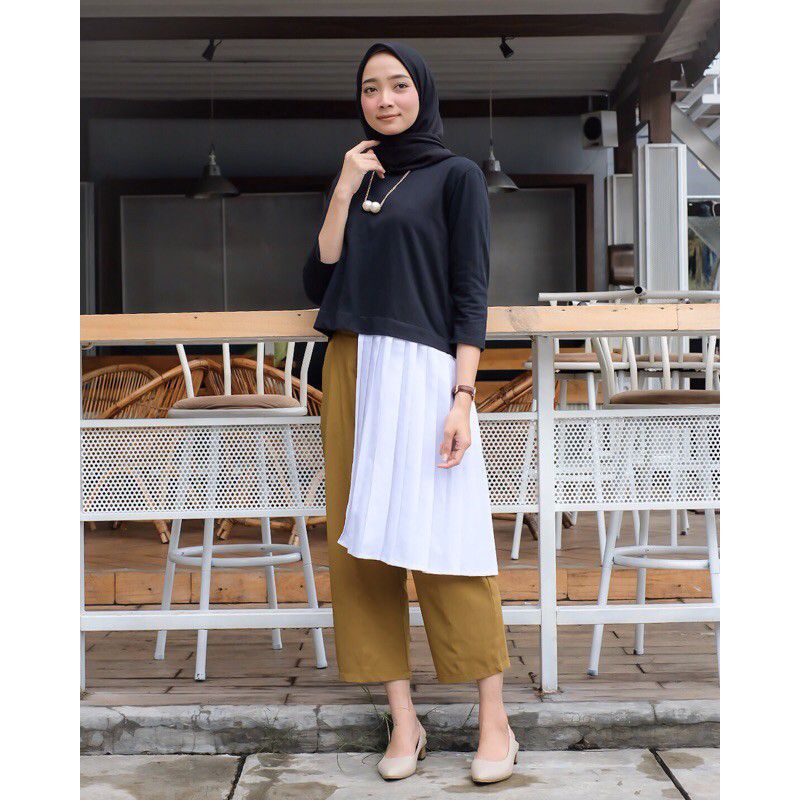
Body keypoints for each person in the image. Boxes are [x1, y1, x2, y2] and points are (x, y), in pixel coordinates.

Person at [302, 41, 517, 784]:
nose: (384, 100)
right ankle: (403, 719)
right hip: (353, 365)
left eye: (397, 85)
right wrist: (341, 189)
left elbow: (470, 289)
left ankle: (495, 720)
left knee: (448, 537)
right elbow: (318, 279)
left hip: (427, 372)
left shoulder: (457, 177)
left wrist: (463, 395)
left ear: (421, 91)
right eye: (370, 88)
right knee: (360, 544)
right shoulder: (360, 174)